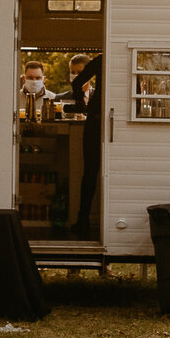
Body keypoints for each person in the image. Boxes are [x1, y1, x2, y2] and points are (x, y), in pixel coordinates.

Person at [70, 54, 103, 233]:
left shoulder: (100, 60)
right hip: (117, 119)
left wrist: (82, 105)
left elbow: (77, 83)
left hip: (94, 120)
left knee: (90, 172)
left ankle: (83, 219)